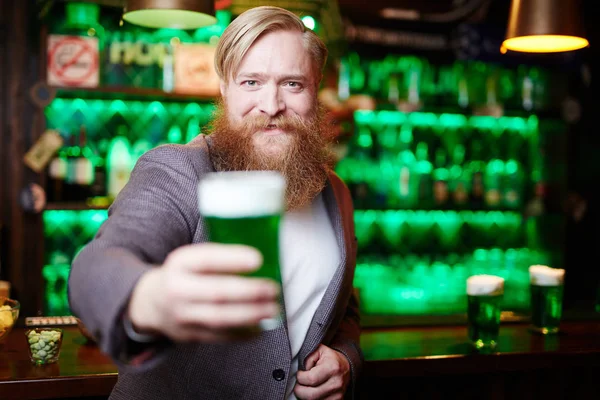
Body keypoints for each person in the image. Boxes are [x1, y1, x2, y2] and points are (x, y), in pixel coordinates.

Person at [68, 6, 362, 400]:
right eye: (251, 82)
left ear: (315, 89)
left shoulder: (335, 193)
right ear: (224, 88)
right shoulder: (178, 171)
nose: (271, 105)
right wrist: (147, 299)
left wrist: (345, 358)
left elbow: (344, 309)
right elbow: (97, 265)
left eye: (292, 84)